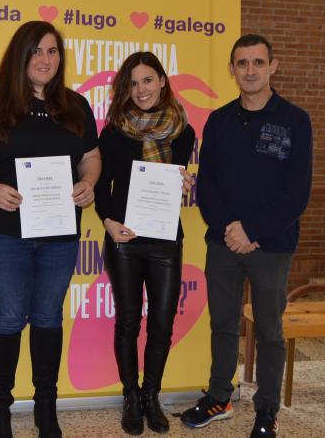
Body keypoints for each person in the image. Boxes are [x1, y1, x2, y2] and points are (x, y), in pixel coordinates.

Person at [0, 20, 101, 438]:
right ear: (21, 57)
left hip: (58, 233)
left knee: (47, 316)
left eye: (53, 51)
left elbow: (91, 157)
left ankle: (46, 408)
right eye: (37, 52)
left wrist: (89, 183)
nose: (46, 60)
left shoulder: (75, 106)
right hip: (4, 231)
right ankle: (0, 411)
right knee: (6, 316)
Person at [179, 34, 312, 438]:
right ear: (232, 69)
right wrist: (229, 230)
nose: (250, 70)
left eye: (257, 62)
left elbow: (297, 192)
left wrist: (251, 231)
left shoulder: (295, 120)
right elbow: (208, 184)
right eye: (242, 63)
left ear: (273, 66)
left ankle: (266, 411)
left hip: (272, 244)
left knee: (270, 329)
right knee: (222, 323)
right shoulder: (218, 120)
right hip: (223, 243)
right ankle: (220, 396)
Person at [93, 51, 195, 435]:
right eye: (133, 83)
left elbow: (174, 182)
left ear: (163, 82)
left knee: (163, 325)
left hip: (166, 238)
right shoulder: (113, 132)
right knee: (128, 322)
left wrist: (184, 182)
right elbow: (103, 187)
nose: (140, 90)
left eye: (147, 81)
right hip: (124, 238)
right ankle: (131, 397)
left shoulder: (183, 131)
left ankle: (152, 395)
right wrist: (108, 221)